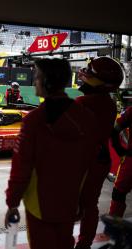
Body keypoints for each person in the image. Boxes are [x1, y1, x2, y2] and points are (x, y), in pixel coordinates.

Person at [5, 58, 99, 249]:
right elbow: (91, 164)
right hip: (70, 202)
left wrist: (12, 203)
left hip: (39, 206)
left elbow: (21, 168)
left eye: (37, 77)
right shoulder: (86, 117)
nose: (34, 81)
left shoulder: (34, 121)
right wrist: (84, 200)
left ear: (47, 82)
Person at [74, 56, 124, 249]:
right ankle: (84, 244)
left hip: (84, 161)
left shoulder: (82, 102)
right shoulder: (110, 104)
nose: (85, 74)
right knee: (90, 205)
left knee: (68, 203)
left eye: (90, 72)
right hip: (101, 159)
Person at [109, 106, 132, 218]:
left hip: (130, 161)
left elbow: (114, 130)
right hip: (130, 160)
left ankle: (114, 226)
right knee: (118, 193)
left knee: (118, 193)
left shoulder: (131, 111)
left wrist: (119, 149)